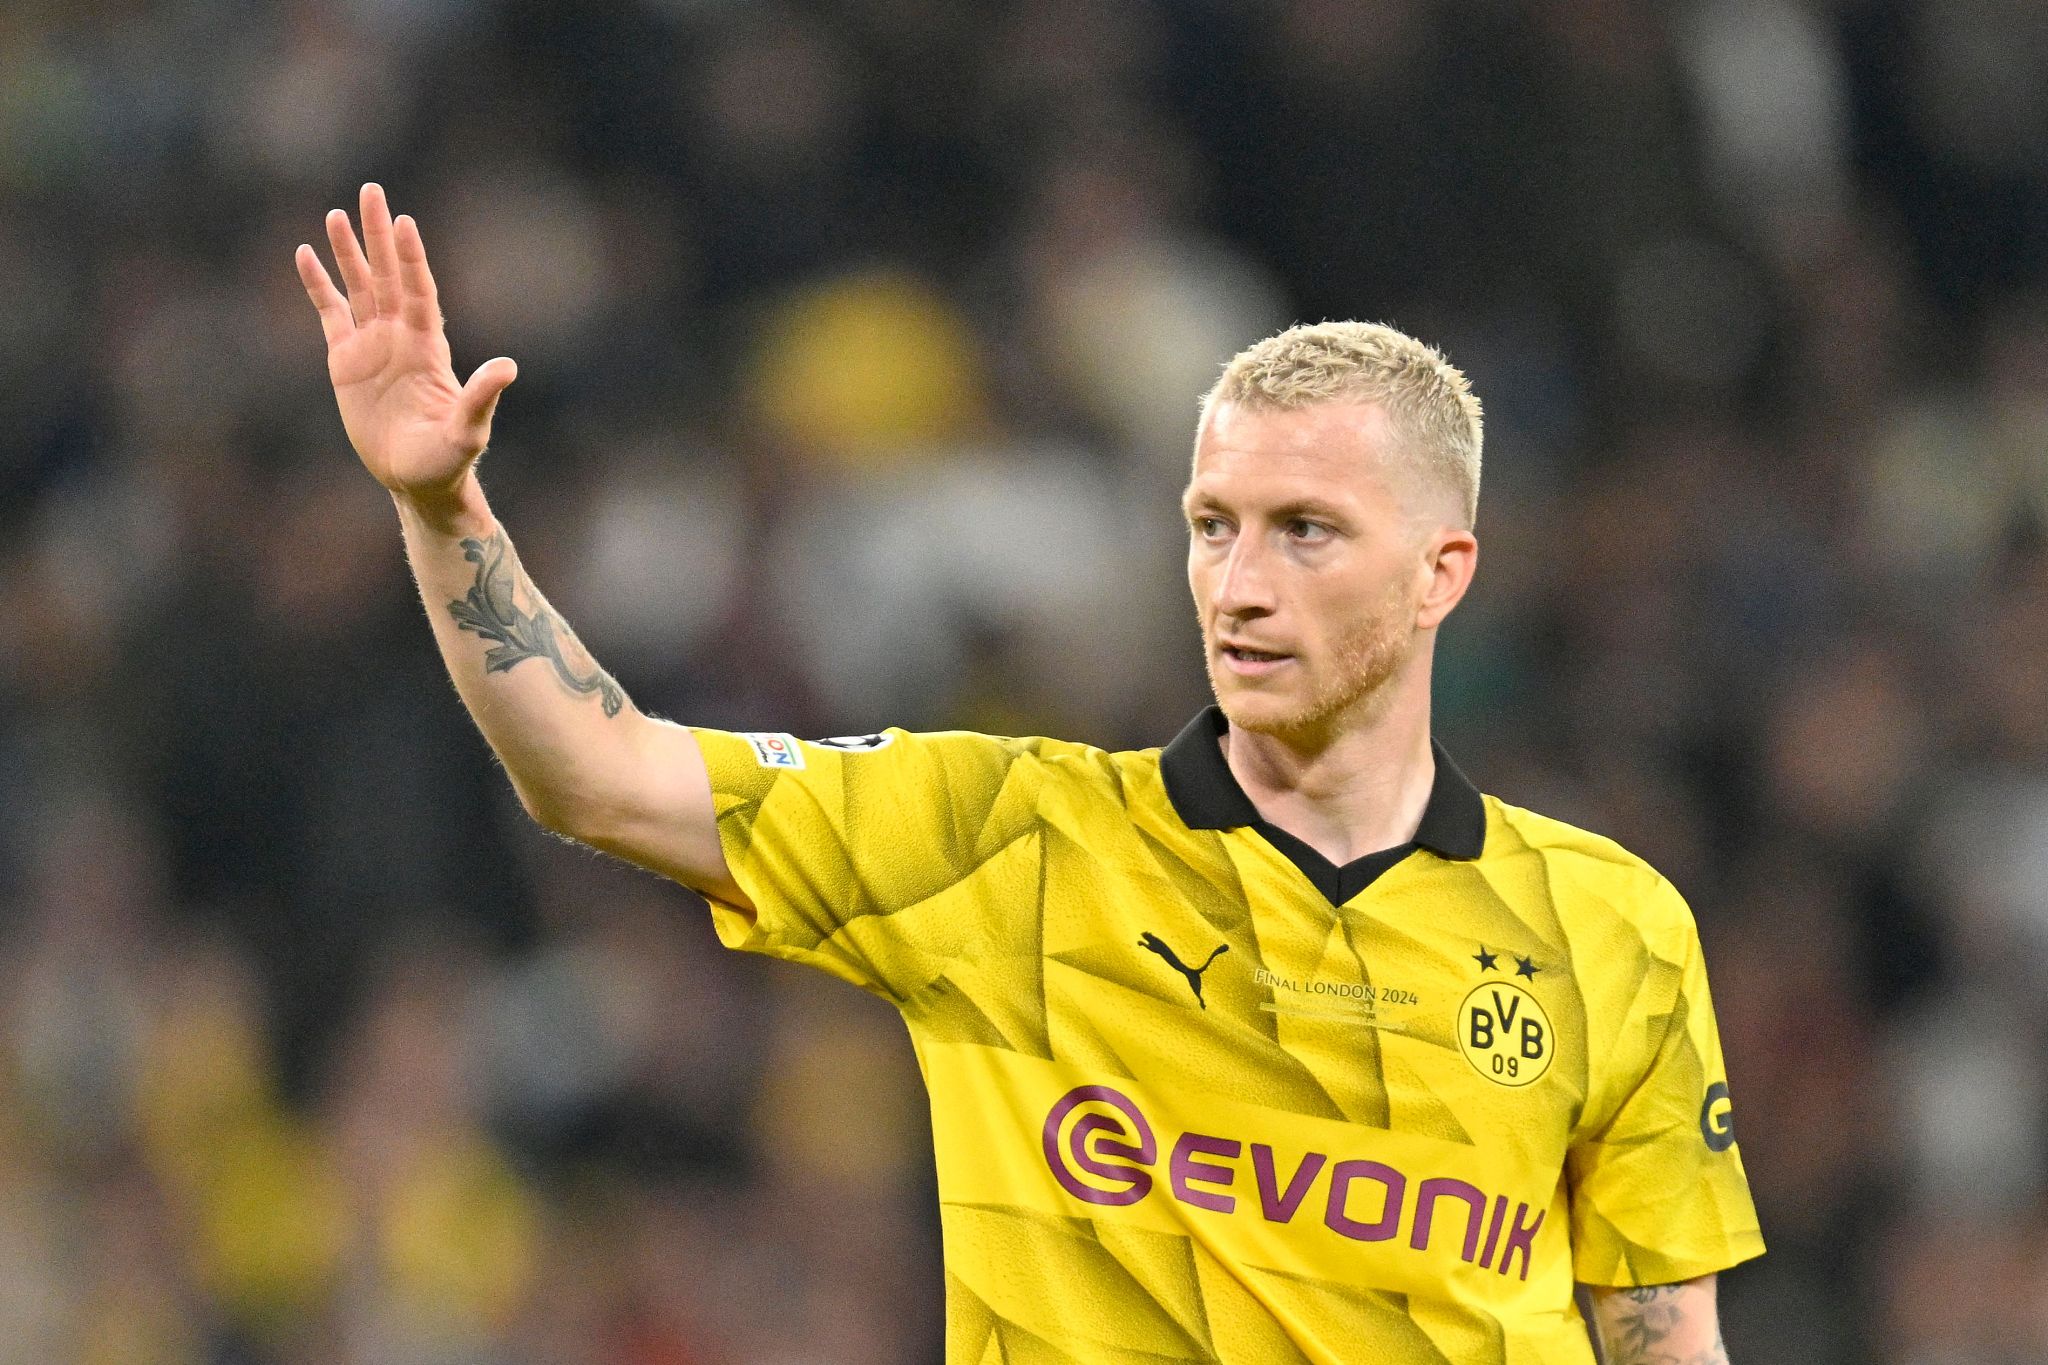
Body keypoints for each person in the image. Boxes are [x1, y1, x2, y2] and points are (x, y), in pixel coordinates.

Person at [296, 183, 1762, 1364]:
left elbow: (1666, 1343)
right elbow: (598, 772)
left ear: (1444, 571)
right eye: (1212, 525)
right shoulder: (1010, 840)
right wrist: (441, 501)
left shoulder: (1607, 929)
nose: (1239, 584)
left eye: (1305, 530)